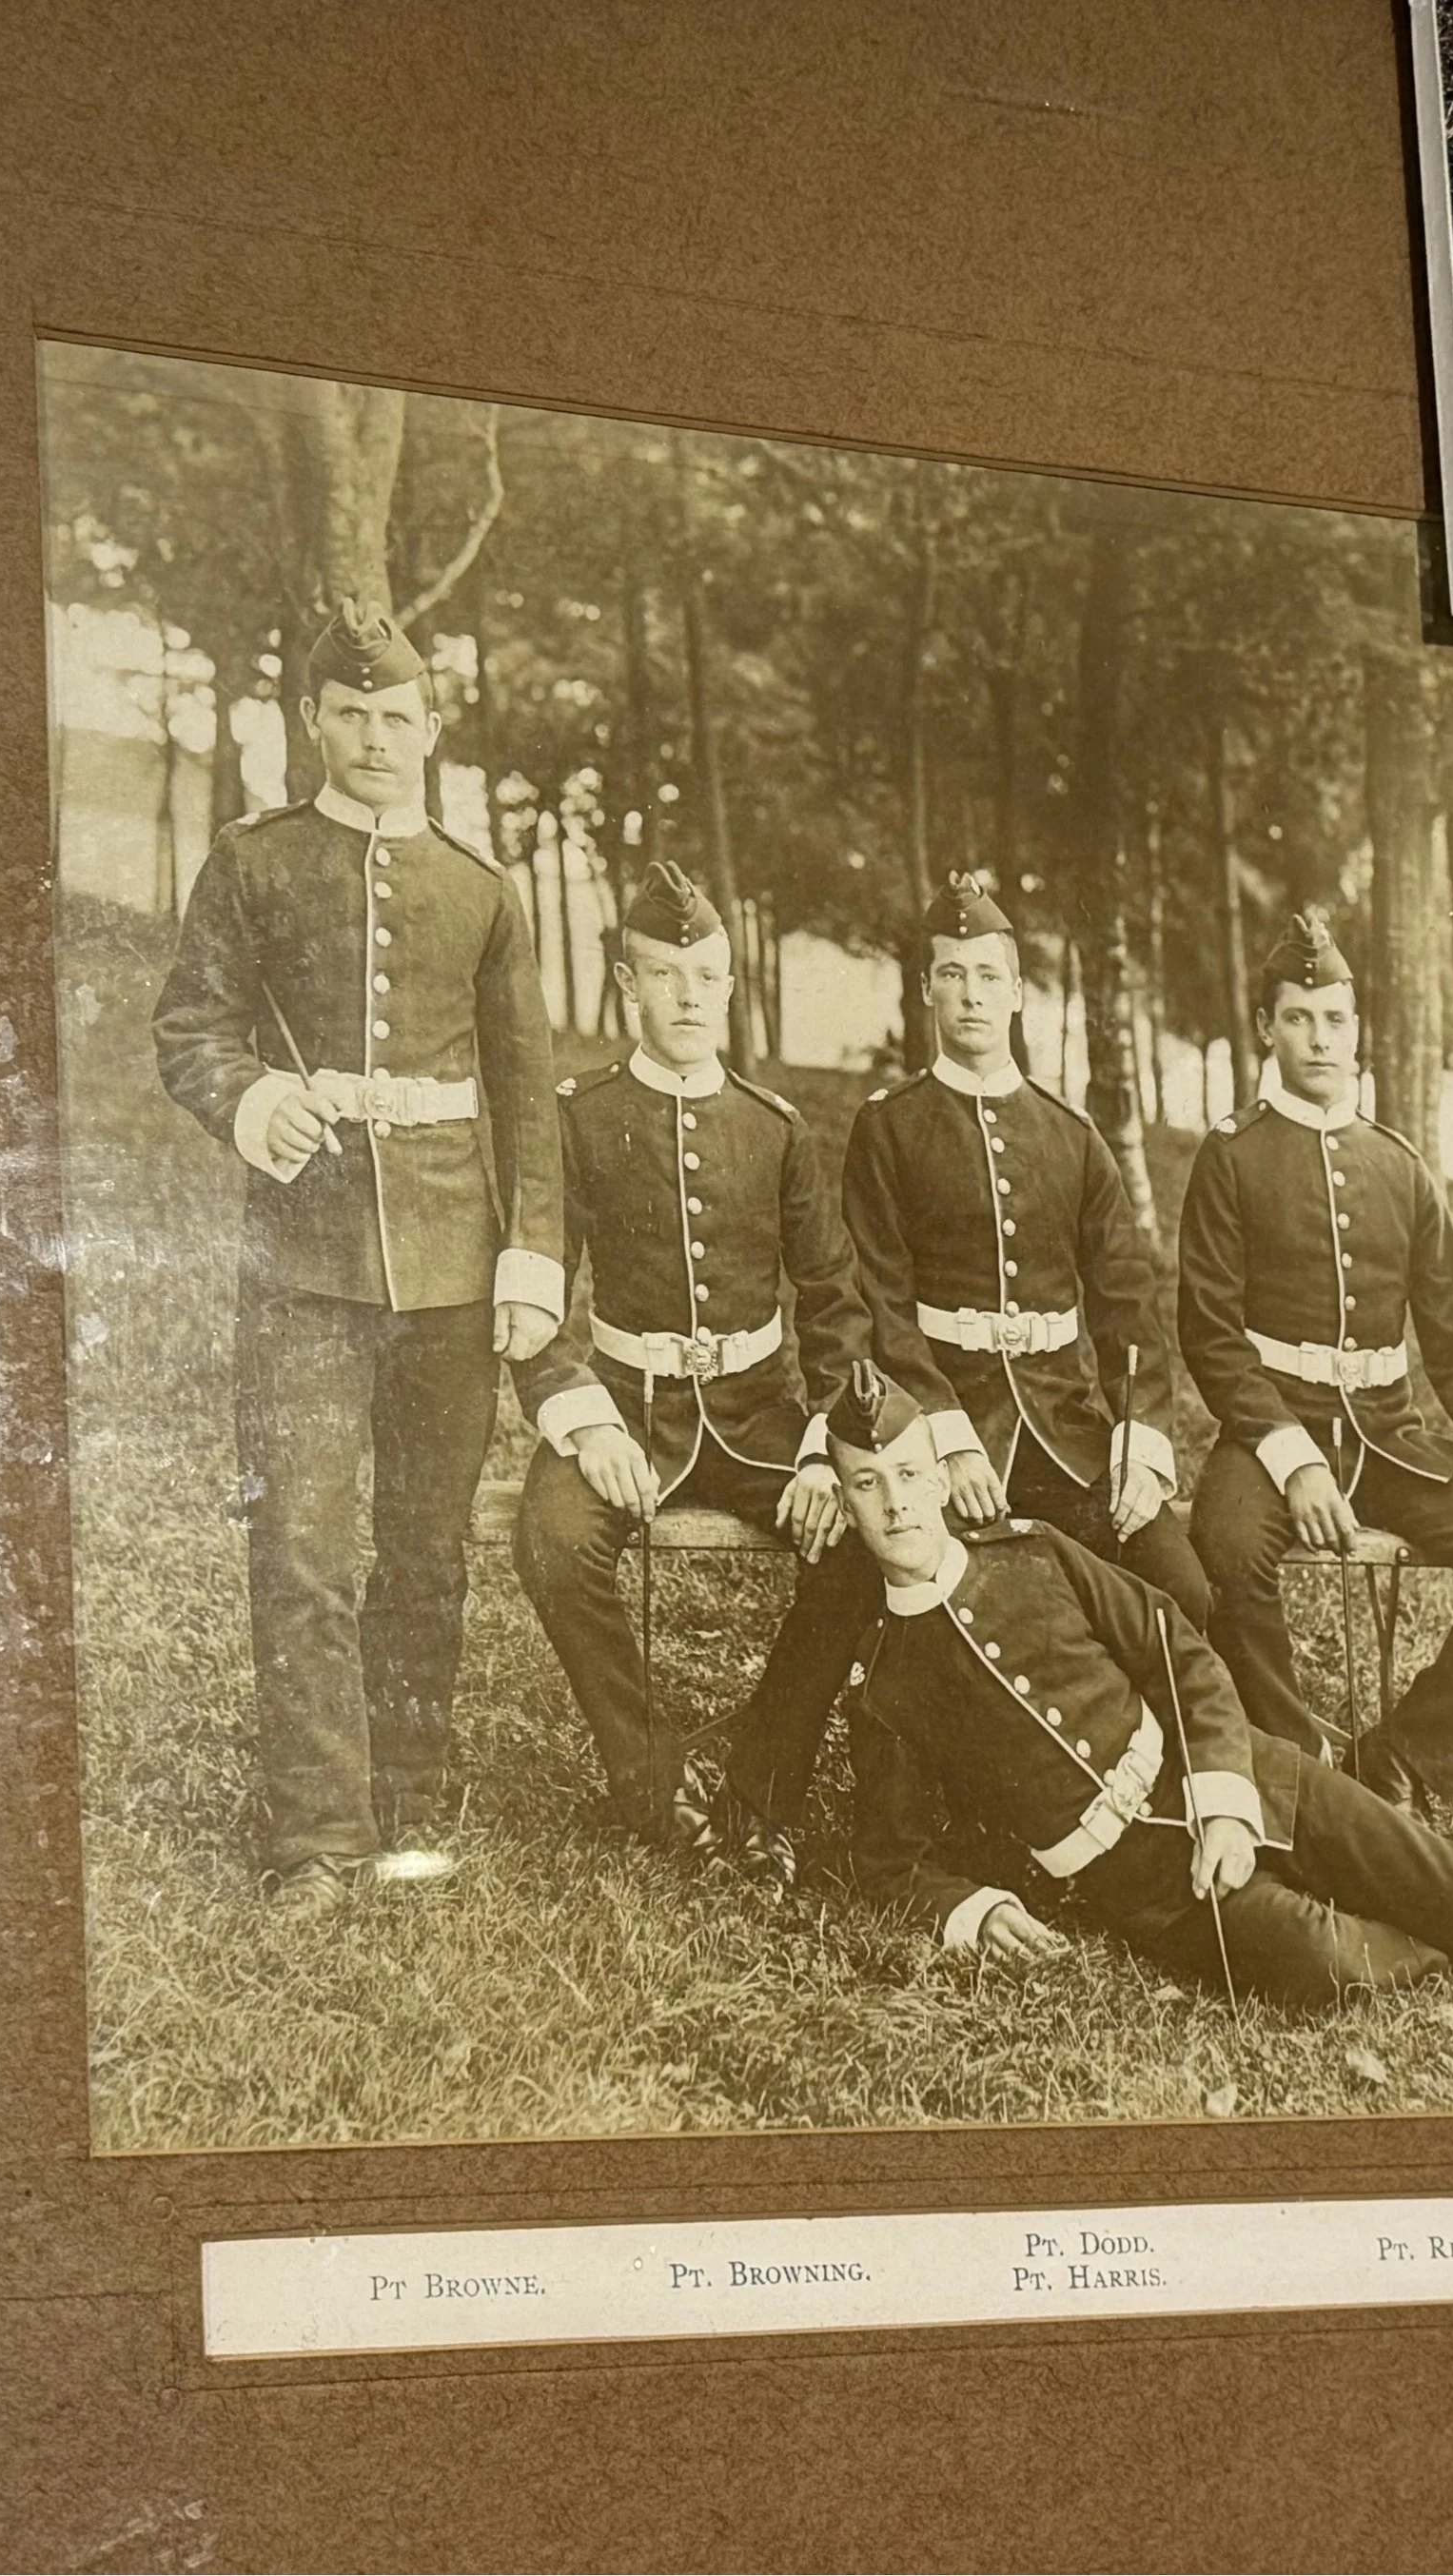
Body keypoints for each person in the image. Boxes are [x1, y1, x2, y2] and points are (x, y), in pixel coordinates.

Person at [829, 1366, 1453, 2019]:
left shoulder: (1040, 1557)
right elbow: (889, 1860)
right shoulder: (886, 1685)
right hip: (1153, 1893)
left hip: (1252, 1778)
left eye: (908, 1473)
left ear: (938, 1470)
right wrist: (972, 1908)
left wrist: (1221, 1800)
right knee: (1327, 1966)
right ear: (844, 1498)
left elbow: (1186, 1657)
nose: (897, 1502)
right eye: (867, 1484)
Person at [153, 600, 562, 1917]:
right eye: (353, 716)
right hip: (306, 1261)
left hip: (453, 1262)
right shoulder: (253, 862)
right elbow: (191, 1024)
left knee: (427, 1544)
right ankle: (316, 1833)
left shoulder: (479, 889)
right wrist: (248, 1096)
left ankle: (408, 1800)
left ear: (433, 729)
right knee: (305, 1543)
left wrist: (533, 1254)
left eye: (400, 718)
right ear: (315, 723)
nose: (377, 738)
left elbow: (527, 1092)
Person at [511, 859, 882, 1888]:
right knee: (549, 1538)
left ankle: (762, 1776)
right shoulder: (579, 1116)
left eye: (705, 976)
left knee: (859, 1533)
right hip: (629, 1411)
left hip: (762, 1418)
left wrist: (822, 1449)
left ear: (729, 986)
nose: (686, 997)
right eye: (663, 975)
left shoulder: (774, 1127)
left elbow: (835, 1301)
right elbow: (540, 1295)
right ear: (627, 986)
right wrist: (585, 1423)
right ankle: (654, 1775)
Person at [1178, 909, 1453, 1817]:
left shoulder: (1401, 1166)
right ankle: (1295, 1765)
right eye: (1300, 1018)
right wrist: (1293, 1456)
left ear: (1360, 1030)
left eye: (1336, 1019)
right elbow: (1210, 1335)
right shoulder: (1231, 1156)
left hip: (1388, 1438)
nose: (1321, 1038)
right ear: (1268, 1028)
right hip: (1272, 1431)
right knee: (1226, 1553)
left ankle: (1399, 1760)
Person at [841, 872, 1210, 1628]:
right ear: (926, 992)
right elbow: (881, 1304)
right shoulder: (889, 1127)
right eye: (952, 974)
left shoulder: (1070, 1134)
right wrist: (943, 1437)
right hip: (946, 1424)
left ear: (1016, 991)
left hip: (1068, 1433)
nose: (971, 994)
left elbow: (1128, 1304)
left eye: (988, 976)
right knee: (880, 1596)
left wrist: (1139, 1442)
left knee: (1183, 1592)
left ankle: (1173, 1748)